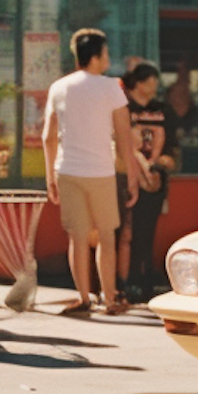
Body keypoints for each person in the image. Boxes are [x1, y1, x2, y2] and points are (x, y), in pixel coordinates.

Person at [42, 28, 141, 315]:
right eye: (106, 52)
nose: (108, 58)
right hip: (101, 172)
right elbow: (124, 137)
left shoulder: (58, 87)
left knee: (77, 237)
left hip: (67, 170)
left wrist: (50, 176)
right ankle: (109, 299)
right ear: (96, 56)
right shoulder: (111, 88)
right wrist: (132, 177)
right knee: (107, 238)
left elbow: (48, 136)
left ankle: (84, 297)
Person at [118, 60, 173, 300]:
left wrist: (164, 162)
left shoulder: (162, 108)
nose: (155, 85)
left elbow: (172, 146)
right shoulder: (123, 107)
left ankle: (145, 279)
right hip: (126, 175)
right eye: (150, 80)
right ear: (138, 83)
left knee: (146, 230)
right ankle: (123, 281)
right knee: (123, 231)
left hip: (154, 177)